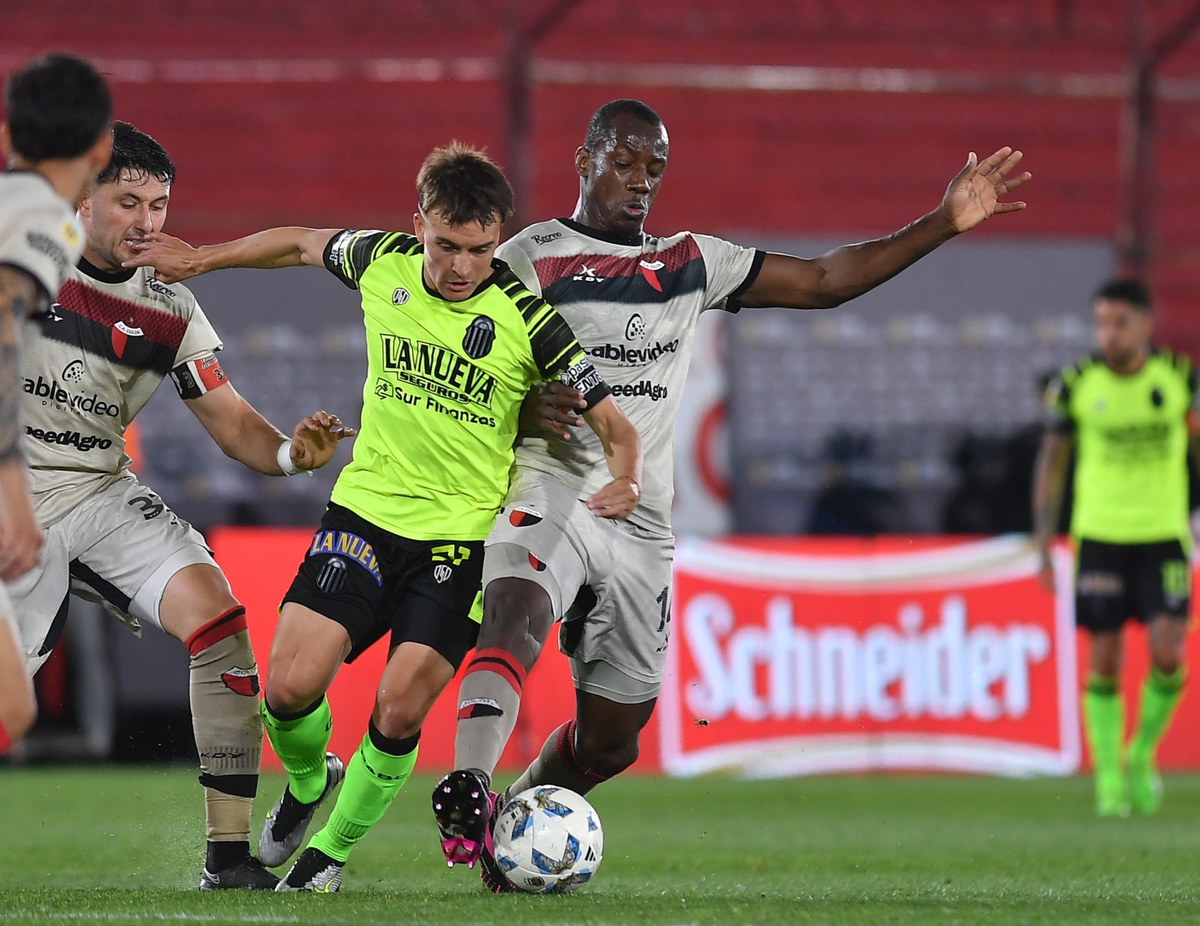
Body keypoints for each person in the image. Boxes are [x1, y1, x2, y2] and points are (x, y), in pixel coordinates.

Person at [429, 98, 1030, 891]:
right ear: (583, 159)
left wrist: (940, 222)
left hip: (641, 522)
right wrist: (515, 411)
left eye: (654, 167)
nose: (640, 180)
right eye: (623, 160)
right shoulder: (528, 257)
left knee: (613, 740)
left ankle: (515, 822)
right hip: (556, 485)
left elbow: (822, 280)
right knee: (515, 607)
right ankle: (469, 784)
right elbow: (455, 366)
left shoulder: (689, 261)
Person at [125, 141, 641, 892]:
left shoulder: (530, 319)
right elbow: (300, 242)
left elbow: (616, 427)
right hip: (364, 516)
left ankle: (325, 856)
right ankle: (309, 781)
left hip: (459, 543)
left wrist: (625, 477)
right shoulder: (382, 260)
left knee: (398, 708)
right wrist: (201, 260)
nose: (461, 266)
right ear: (417, 227)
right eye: (445, 246)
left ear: (498, 239)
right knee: (290, 690)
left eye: (479, 250)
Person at [11, 121, 354, 890]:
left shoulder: (169, 305)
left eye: (159, 205)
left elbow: (230, 420)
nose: (146, 222)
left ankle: (227, 860)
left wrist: (291, 456)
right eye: (127, 201)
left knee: (221, 624)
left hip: (96, 490)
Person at [1034, 279, 1194, 817]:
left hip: (1163, 535)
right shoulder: (1075, 384)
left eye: (1119, 322)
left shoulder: (1179, 380)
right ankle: (1108, 779)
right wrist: (1041, 545)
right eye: (1101, 322)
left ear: (1146, 325)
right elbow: (1052, 463)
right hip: (1100, 536)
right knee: (1104, 661)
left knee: (1168, 655)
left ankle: (1142, 753)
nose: (1108, 333)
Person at [0, 54, 113, 755]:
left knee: (13, 707)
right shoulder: (44, 219)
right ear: (103, 147)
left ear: (11, 130)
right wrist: (13, 480)